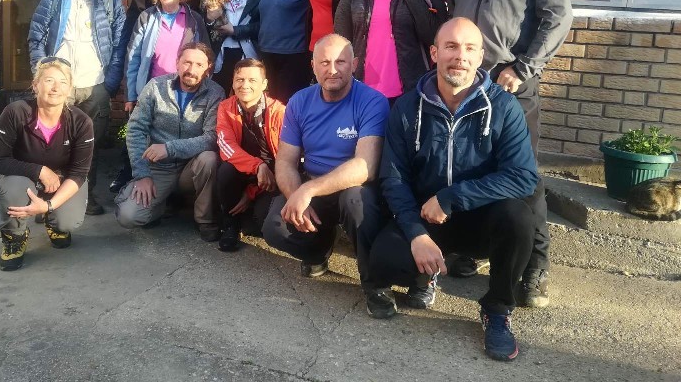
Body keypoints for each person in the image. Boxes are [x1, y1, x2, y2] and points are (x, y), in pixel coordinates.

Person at [367, 18, 539, 362]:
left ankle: (497, 308)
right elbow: (393, 179)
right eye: (451, 46)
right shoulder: (407, 107)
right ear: (434, 53)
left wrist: (452, 197)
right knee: (382, 262)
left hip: (480, 219)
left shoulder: (503, 107)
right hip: (427, 218)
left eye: (469, 48)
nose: (460, 56)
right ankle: (426, 273)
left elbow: (523, 177)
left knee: (519, 217)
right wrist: (416, 234)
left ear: (480, 57)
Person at [447, 0, 572, 307]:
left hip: (513, 84)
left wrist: (522, 67)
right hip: (469, 85)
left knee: (523, 173)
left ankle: (536, 266)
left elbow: (558, 16)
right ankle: (470, 248)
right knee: (469, 164)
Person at [261, 34, 389, 294]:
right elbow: (285, 161)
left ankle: (375, 285)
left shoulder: (373, 101)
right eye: (324, 62)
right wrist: (296, 195)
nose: (332, 70)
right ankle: (318, 250)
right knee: (275, 228)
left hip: (354, 188)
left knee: (356, 203)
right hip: (313, 182)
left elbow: (365, 166)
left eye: (341, 62)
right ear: (313, 66)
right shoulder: (299, 101)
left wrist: (308, 190)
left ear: (354, 65)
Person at [27, 0, 125, 216]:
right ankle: (47, 199)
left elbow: (120, 46)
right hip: (59, 86)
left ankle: (83, 197)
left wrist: (109, 84)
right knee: (50, 143)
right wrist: (43, 75)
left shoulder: (110, 1)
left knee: (89, 145)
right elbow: (36, 37)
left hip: (95, 85)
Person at [107, 0, 211, 194]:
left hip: (185, 88)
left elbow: (205, 55)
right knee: (140, 132)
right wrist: (131, 94)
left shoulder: (194, 20)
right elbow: (133, 57)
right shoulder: (147, 17)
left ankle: (178, 186)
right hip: (152, 88)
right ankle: (134, 174)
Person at [0, 56, 94, 271]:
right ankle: (15, 236)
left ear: (69, 89)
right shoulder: (15, 112)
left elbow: (79, 172)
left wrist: (48, 206)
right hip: (22, 178)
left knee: (68, 222)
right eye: (49, 80)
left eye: (63, 82)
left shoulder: (82, 122)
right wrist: (38, 170)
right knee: (13, 186)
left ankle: (54, 222)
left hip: (62, 179)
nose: (55, 88)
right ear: (35, 85)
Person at [114, 42, 225, 241]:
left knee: (209, 158)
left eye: (199, 65)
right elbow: (135, 129)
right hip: (159, 167)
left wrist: (170, 148)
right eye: (187, 62)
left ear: (208, 68)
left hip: (191, 166)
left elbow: (211, 138)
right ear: (177, 63)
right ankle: (160, 203)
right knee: (128, 217)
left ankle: (205, 219)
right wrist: (141, 175)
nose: (191, 69)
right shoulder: (156, 86)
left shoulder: (215, 93)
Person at [215, 58, 284, 252]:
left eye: (252, 80)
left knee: (260, 224)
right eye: (240, 79)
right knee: (225, 171)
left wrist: (251, 192)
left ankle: (248, 216)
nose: (245, 85)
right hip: (245, 170)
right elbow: (226, 147)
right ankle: (230, 224)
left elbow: (286, 160)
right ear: (233, 82)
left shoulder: (279, 112)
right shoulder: (225, 107)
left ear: (264, 84)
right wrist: (257, 165)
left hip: (271, 177)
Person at [206, 0, 263, 91]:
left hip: (249, 52)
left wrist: (236, 30)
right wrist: (210, 20)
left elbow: (263, 25)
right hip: (220, 52)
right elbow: (204, 23)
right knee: (218, 95)